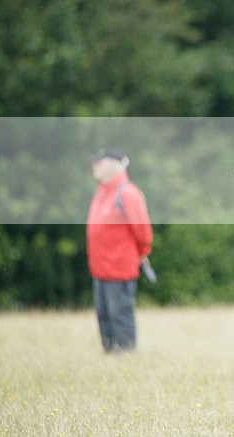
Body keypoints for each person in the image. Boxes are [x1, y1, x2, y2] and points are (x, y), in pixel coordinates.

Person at [87, 148, 153, 352]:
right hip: (100, 267)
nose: (95, 167)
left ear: (114, 165)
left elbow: (143, 231)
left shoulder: (127, 193)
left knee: (120, 314)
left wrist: (140, 253)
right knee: (104, 314)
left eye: (100, 162)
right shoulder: (101, 192)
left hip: (120, 267)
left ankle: (125, 355)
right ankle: (109, 352)